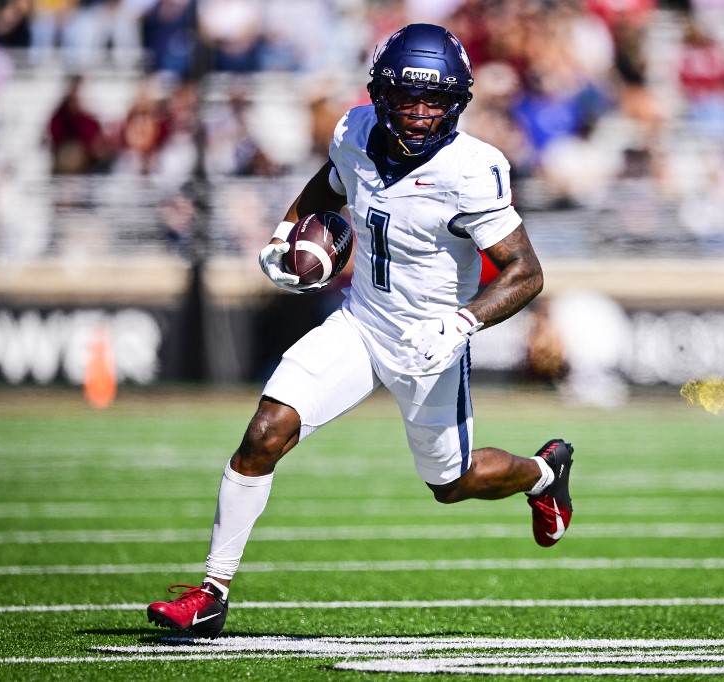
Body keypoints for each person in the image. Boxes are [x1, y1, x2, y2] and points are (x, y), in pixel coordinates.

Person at [146, 23, 575, 639]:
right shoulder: (353, 132)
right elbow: (331, 184)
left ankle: (543, 472)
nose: (423, 115)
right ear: (381, 97)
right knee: (264, 434)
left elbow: (525, 273)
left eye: (436, 102)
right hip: (359, 325)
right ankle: (211, 593)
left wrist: (460, 323)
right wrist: (284, 232)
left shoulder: (473, 169)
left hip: (430, 345)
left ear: (458, 102)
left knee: (450, 486)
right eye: (408, 100)